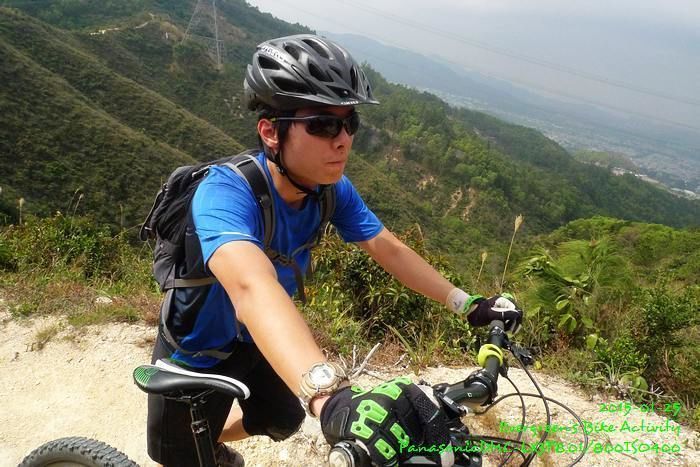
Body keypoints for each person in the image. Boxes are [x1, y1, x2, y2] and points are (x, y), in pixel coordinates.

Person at [146, 34, 523, 467]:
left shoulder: (330, 189)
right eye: (323, 125)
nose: (343, 139)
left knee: (282, 418)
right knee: (175, 456)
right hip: (198, 350)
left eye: (350, 123)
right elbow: (251, 287)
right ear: (270, 131)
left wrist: (467, 304)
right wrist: (328, 396)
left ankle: (211, 439)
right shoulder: (224, 193)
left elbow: (387, 247)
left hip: (258, 340)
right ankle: (200, 447)